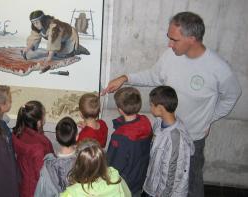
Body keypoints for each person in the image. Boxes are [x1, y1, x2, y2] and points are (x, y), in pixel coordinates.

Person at [102, 11, 242, 197]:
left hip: (192, 138)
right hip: (163, 133)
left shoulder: (218, 68)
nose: (169, 44)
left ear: (192, 39)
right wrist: (126, 78)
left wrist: (210, 118)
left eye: (174, 39)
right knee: (159, 176)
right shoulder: (170, 56)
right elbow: (154, 75)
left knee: (190, 183)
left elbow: (232, 95)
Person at [143, 86, 194, 197]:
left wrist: (163, 194)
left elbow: (172, 174)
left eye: (151, 105)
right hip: (153, 185)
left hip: (164, 192)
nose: (150, 108)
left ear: (160, 108)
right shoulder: (159, 122)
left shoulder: (174, 138)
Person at [107, 87, 152, 197]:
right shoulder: (145, 122)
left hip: (124, 184)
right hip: (140, 178)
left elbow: (114, 165)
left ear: (120, 110)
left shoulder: (120, 137)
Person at [61, 139, 131, 197]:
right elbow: (127, 194)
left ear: (77, 163)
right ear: (102, 159)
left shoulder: (72, 193)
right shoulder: (115, 176)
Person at [12, 100, 54, 197]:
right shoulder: (40, 147)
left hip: (23, 185)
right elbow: (42, 175)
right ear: (39, 122)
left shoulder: (17, 133)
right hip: (36, 190)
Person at [22, 10, 89, 64]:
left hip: (69, 37)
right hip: (60, 39)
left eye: (37, 22)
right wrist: (27, 49)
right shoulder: (37, 28)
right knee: (56, 53)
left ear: (43, 20)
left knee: (63, 55)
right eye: (33, 23)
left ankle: (79, 49)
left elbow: (53, 41)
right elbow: (34, 38)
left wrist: (49, 59)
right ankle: (73, 48)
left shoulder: (54, 27)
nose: (35, 25)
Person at [34, 116, 78, 197]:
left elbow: (41, 193)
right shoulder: (85, 161)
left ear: (57, 138)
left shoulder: (48, 167)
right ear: (76, 137)